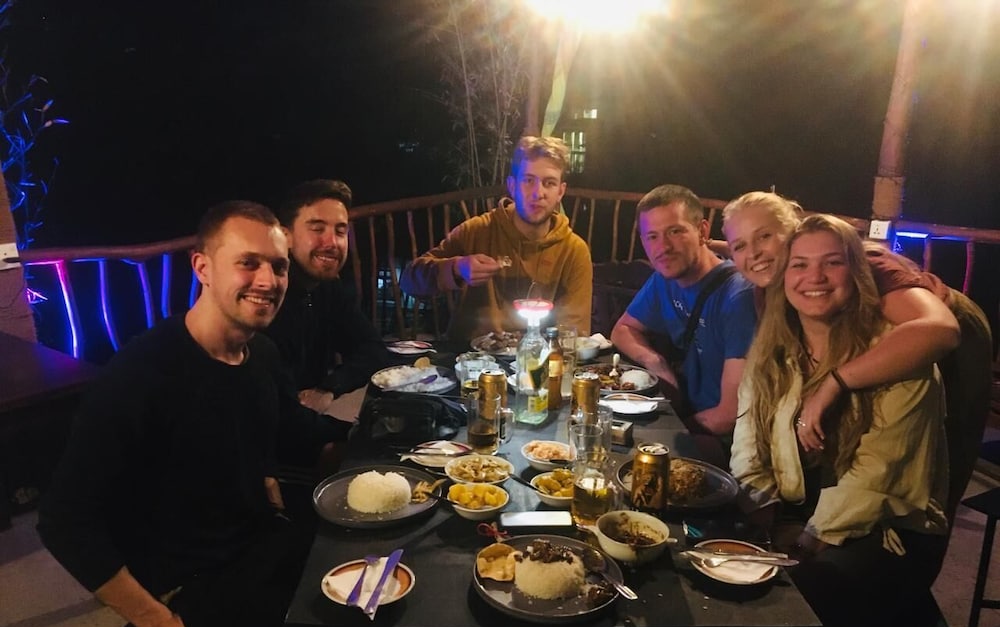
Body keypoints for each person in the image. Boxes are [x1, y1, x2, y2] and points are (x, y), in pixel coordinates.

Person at [37, 201, 343, 627]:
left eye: (278, 266)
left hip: (256, 547)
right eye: (248, 263)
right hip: (187, 587)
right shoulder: (140, 374)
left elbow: (289, 429)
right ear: (202, 266)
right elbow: (63, 521)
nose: (268, 281)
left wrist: (381, 440)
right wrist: (160, 625)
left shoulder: (261, 354)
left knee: (361, 584)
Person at [730, 214, 949, 627]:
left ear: (857, 274)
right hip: (798, 515)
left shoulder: (898, 357)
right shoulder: (777, 346)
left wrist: (802, 543)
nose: (815, 277)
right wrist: (759, 513)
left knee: (804, 600)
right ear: (784, 278)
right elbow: (748, 439)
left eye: (833, 263)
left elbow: (876, 479)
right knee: (708, 565)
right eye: (800, 265)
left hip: (886, 532)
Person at [723, 190, 990, 514]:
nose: (754, 253)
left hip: (953, 341)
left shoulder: (868, 266)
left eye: (765, 236)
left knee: (934, 466)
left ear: (794, 230)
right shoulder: (769, 291)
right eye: (739, 246)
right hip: (882, 342)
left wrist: (833, 383)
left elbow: (941, 329)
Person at [399, 135, 593, 344]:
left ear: (561, 192)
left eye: (549, 183)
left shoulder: (574, 250)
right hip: (468, 357)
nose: (538, 193)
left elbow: (573, 332)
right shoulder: (476, 231)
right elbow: (409, 281)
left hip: (540, 360)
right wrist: (456, 268)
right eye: (528, 180)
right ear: (512, 186)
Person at [610, 184, 756, 450]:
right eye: (652, 236)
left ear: (702, 231)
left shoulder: (738, 296)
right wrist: (657, 363)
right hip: (688, 412)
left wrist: (668, 431)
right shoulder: (665, 278)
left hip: (726, 440)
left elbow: (729, 415)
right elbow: (623, 330)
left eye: (675, 232)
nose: (663, 247)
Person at [268, 178, 390, 416]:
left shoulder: (327, 287)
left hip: (305, 421)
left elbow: (372, 349)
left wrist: (329, 387)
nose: (332, 242)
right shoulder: (268, 294)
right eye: (317, 229)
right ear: (285, 236)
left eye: (340, 231)